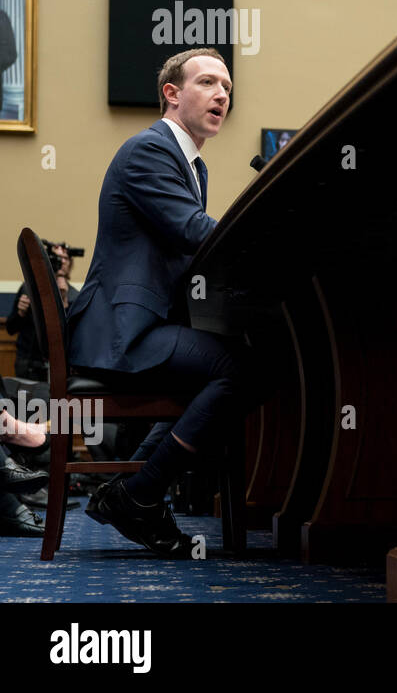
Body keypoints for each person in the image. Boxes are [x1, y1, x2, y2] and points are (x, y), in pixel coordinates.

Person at [67, 47, 257, 558]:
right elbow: (195, 232)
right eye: (209, 83)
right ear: (172, 94)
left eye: (228, 89)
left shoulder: (191, 165)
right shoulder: (149, 149)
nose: (222, 95)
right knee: (236, 368)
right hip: (122, 329)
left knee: (235, 360)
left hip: (147, 322)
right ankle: (141, 494)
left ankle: (135, 493)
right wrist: (262, 239)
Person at [5, 242, 78, 384]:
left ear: (70, 263)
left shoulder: (75, 296)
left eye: (65, 258)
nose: (61, 262)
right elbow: (10, 328)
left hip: (59, 368)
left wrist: (64, 303)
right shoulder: (28, 288)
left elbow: (72, 337)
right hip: (27, 365)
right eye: (57, 258)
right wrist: (20, 313)